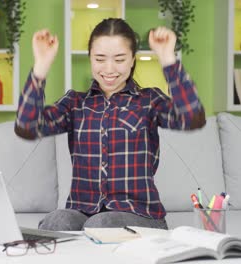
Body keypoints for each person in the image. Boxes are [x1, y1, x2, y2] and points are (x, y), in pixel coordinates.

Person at [14, 18, 206, 231]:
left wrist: (167, 59)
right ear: (90, 59)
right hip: (83, 211)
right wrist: (41, 65)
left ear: (133, 59)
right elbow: (27, 126)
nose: (109, 68)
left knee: (101, 223)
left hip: (139, 215)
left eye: (120, 59)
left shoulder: (149, 101)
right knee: (58, 220)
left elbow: (192, 117)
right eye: (100, 59)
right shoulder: (75, 104)